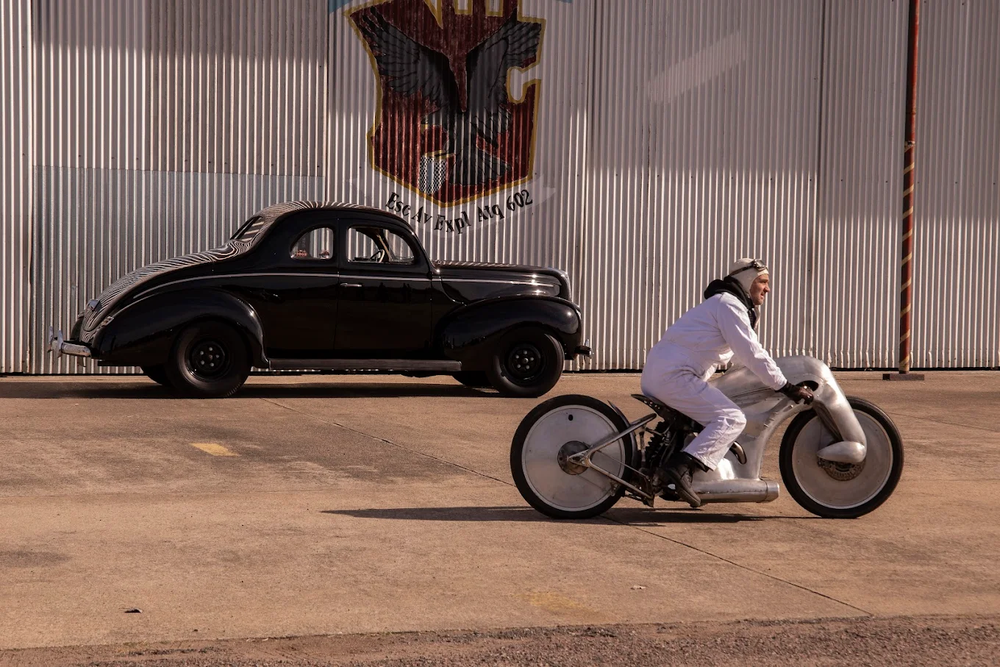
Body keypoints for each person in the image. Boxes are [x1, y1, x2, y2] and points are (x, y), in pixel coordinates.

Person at [640, 258, 814, 508]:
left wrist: (771, 380)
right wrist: (785, 386)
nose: (768, 289)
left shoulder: (724, 305)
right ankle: (679, 470)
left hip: (667, 373)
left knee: (705, 418)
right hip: (674, 376)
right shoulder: (729, 305)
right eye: (762, 281)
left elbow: (743, 361)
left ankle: (667, 468)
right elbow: (752, 353)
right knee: (731, 418)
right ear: (746, 281)